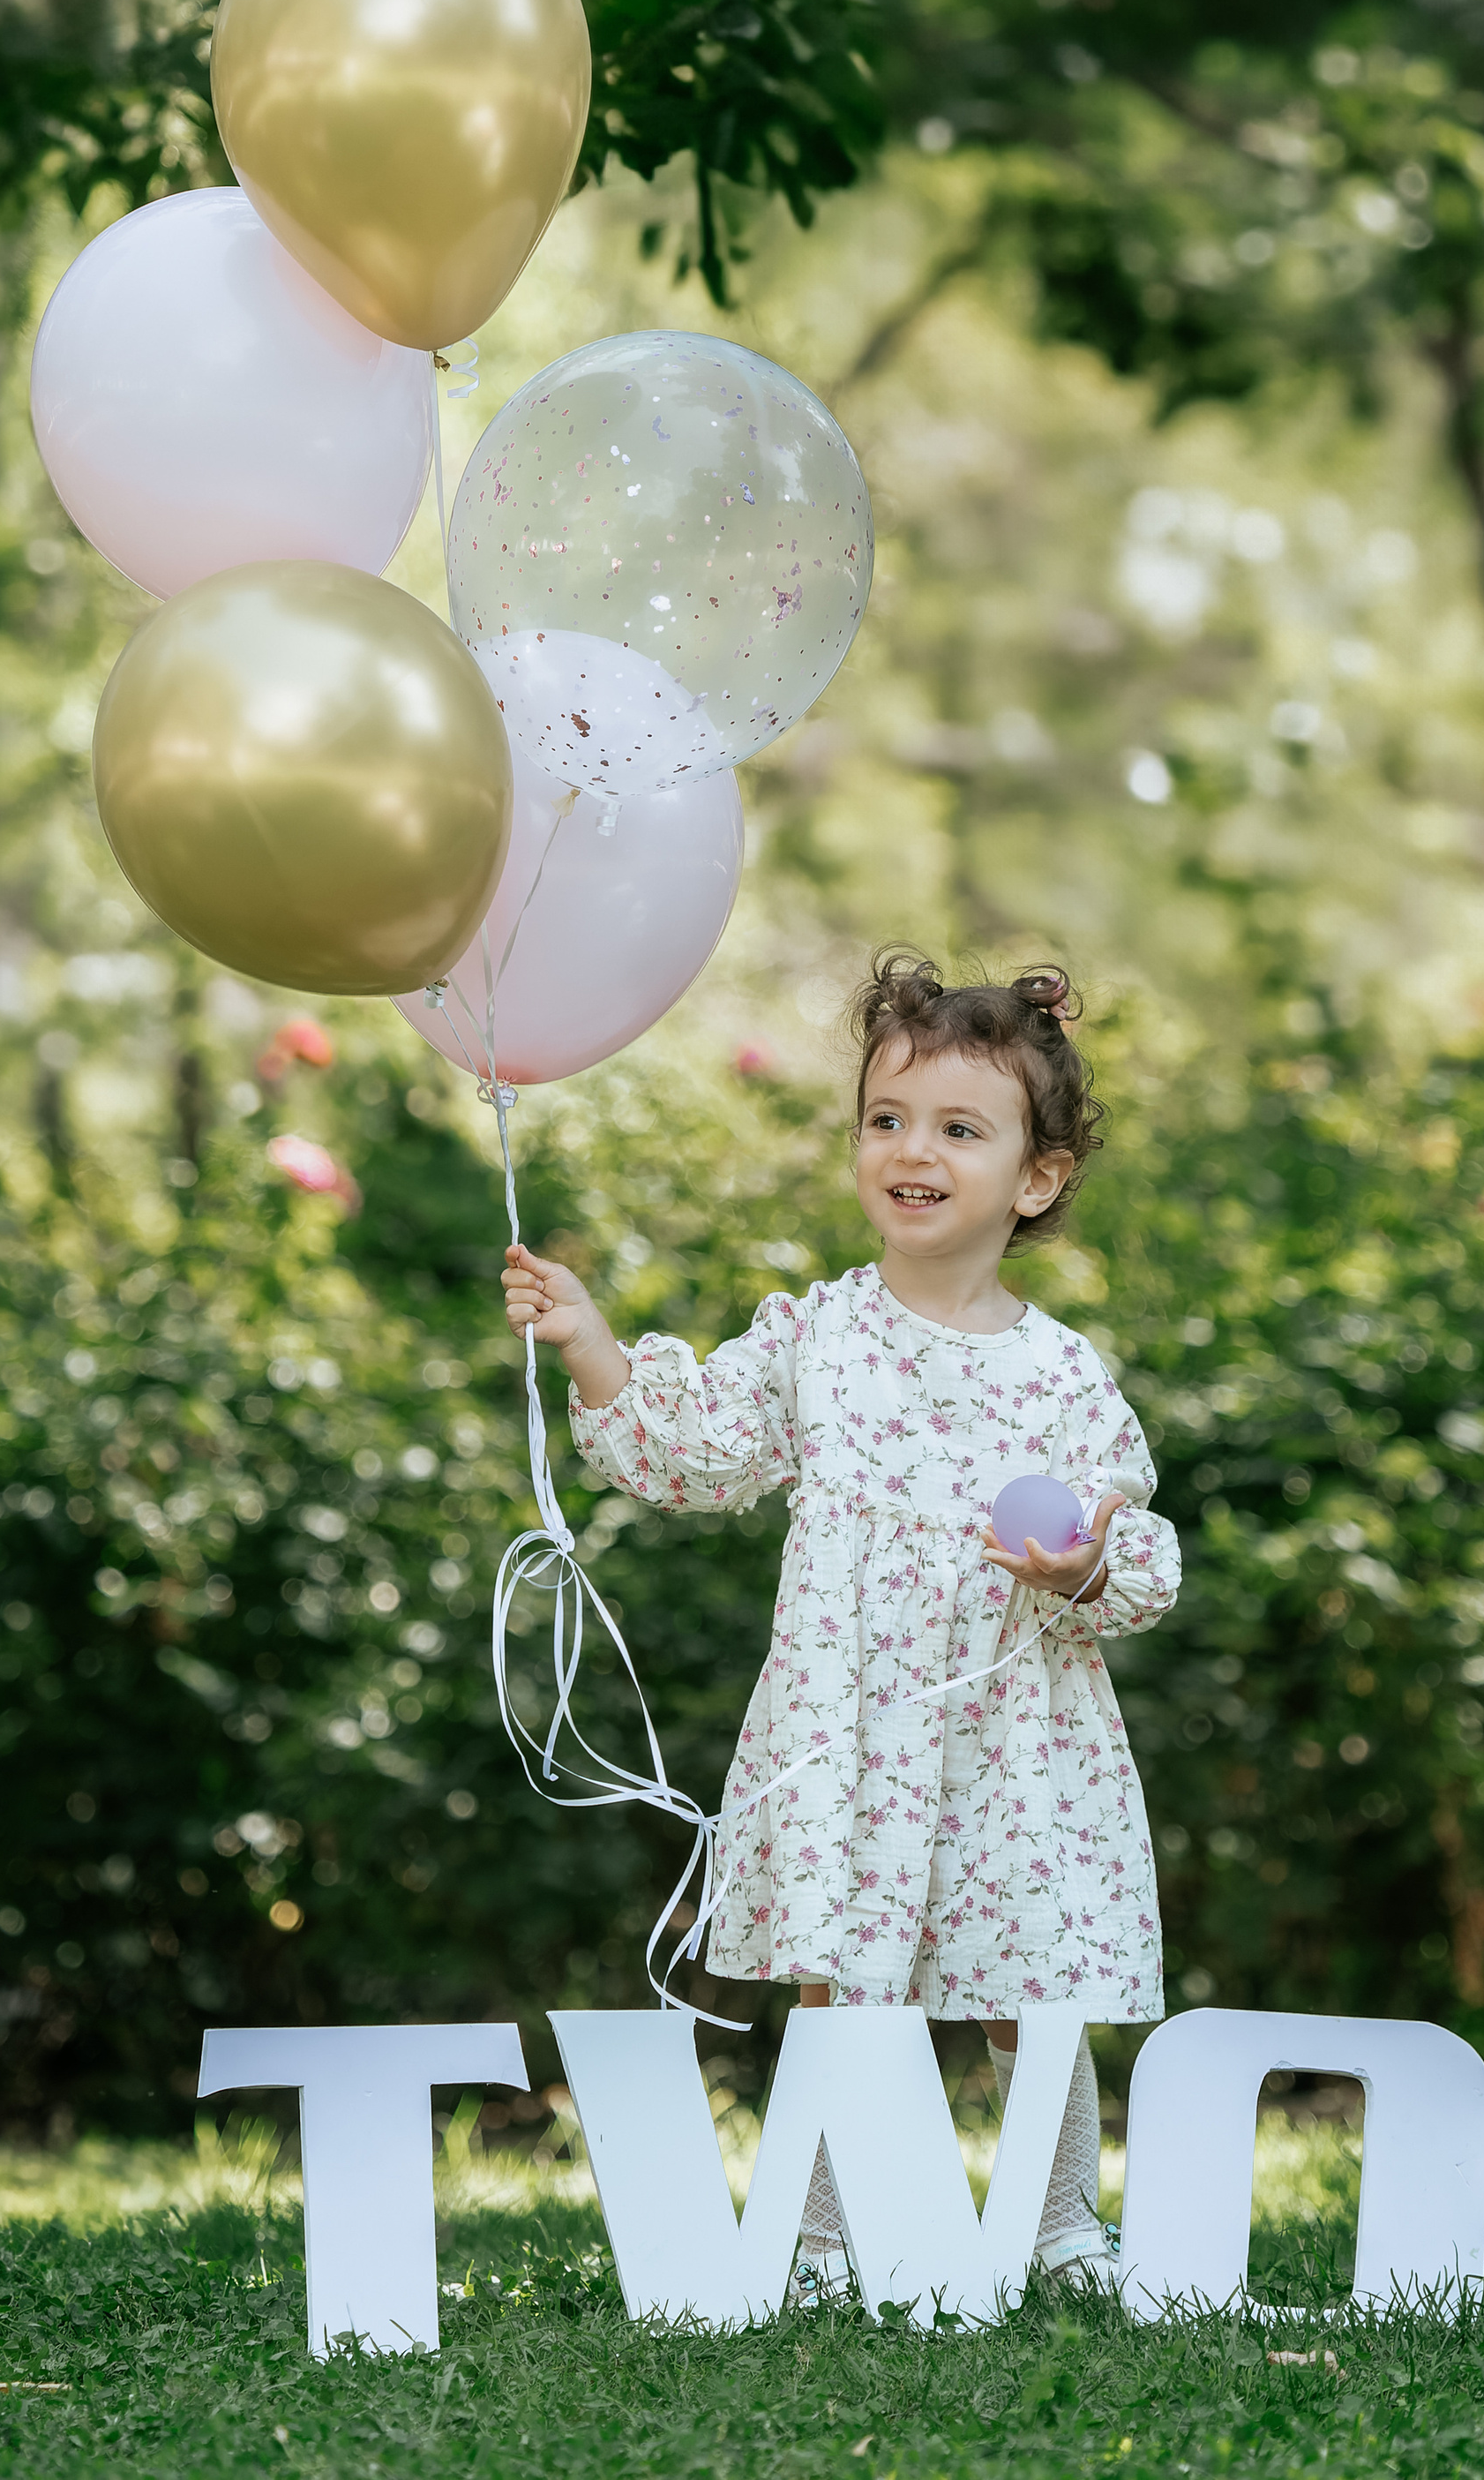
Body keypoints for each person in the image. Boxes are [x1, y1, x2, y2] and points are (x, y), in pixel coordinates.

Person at [501, 951, 1181, 2297]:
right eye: (887, 1119)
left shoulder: (1061, 1377)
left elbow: (1146, 1559)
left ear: (1035, 1180)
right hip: (849, 1732)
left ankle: (1058, 2233)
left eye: (957, 1128)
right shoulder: (821, 1340)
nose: (911, 1149)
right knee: (840, 1984)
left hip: (1015, 1735)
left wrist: (1087, 1565)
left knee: (1032, 1989)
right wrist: (590, 1342)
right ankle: (820, 2237)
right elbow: (688, 1448)